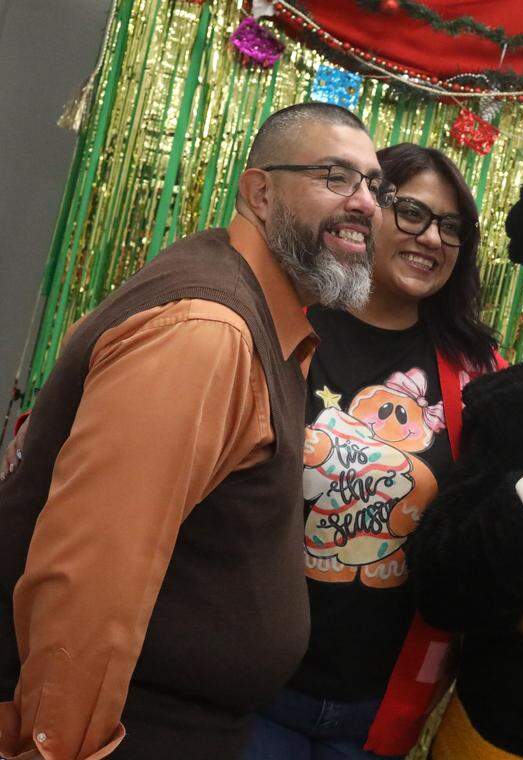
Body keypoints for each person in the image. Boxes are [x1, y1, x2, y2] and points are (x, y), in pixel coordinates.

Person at [0, 102, 389, 760]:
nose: (365, 205)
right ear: (259, 193)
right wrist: (54, 748)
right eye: (335, 177)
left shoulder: (257, 313)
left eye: (374, 186)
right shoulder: (208, 332)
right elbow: (91, 578)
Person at [244, 143, 504, 760]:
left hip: (373, 710)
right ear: (366, 210)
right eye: (411, 212)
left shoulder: (480, 376)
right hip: (254, 689)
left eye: (451, 226)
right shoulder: (278, 324)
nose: (431, 238)